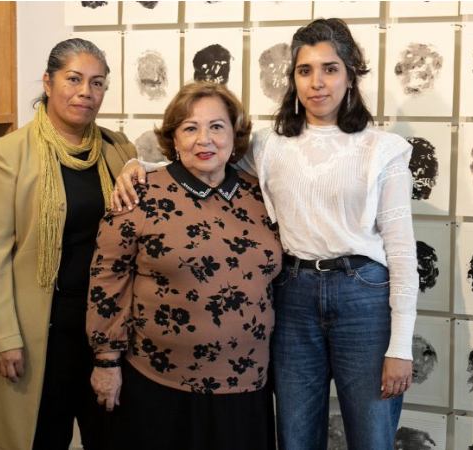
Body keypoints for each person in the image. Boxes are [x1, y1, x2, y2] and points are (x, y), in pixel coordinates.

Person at [112, 18, 418, 450]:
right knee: (294, 437)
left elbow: (402, 251)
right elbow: (206, 156)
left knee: (371, 437)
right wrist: (140, 166)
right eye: (305, 70)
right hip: (292, 297)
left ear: (351, 76)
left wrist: (400, 346)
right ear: (293, 79)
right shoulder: (269, 144)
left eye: (330, 69)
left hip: (363, 297)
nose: (317, 82)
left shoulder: (383, 150)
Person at [88, 82, 281, 450]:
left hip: (247, 385)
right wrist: (106, 361)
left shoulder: (261, 195)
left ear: (235, 135)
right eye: (190, 128)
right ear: (173, 138)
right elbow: (107, 279)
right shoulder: (139, 193)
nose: (204, 139)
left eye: (217, 126)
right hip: (159, 385)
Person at [0, 38, 136, 450]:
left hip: (106, 328)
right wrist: (4, 337)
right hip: (41, 331)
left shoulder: (119, 150)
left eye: (97, 83)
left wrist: (139, 163)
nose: (86, 92)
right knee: (44, 438)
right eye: (74, 79)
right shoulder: (7, 153)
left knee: (111, 437)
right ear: (48, 83)